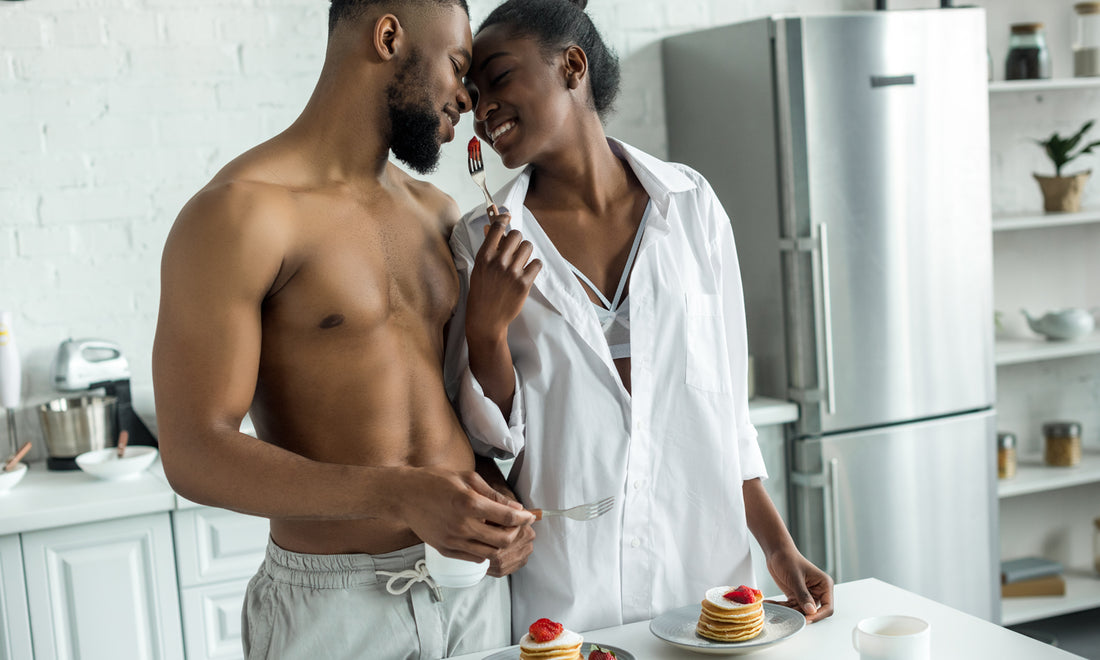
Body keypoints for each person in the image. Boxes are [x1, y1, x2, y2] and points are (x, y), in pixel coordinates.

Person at [152, 1, 536, 657]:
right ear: (388, 36)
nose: (468, 102)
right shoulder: (240, 215)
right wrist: (398, 494)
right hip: (336, 608)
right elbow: (194, 453)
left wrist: (489, 497)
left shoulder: (438, 213)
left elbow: (442, 404)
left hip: (469, 591)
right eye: (458, 66)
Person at [445, 0, 835, 640]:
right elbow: (495, 447)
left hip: (705, 583)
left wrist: (777, 546)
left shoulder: (691, 207)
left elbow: (725, 414)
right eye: (473, 95)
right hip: (568, 595)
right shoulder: (481, 244)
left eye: (499, 78)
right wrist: (487, 330)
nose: (482, 109)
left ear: (572, 65)